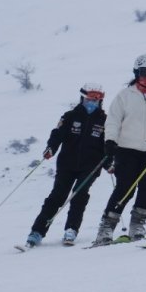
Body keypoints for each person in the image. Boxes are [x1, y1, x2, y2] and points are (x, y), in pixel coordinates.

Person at [92, 54, 146, 245]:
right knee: (125, 187)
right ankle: (107, 226)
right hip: (127, 149)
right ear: (136, 74)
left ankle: (138, 224)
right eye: (144, 73)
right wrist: (110, 141)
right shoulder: (124, 96)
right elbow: (113, 121)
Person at [23, 84, 109, 248]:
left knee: (79, 194)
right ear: (83, 98)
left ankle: (71, 230)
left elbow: (108, 145)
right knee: (57, 196)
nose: (93, 103)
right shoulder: (70, 116)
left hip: (90, 166)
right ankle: (37, 232)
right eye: (90, 99)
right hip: (67, 164)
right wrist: (51, 149)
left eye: (96, 101)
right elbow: (57, 135)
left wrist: (109, 163)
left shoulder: (105, 120)